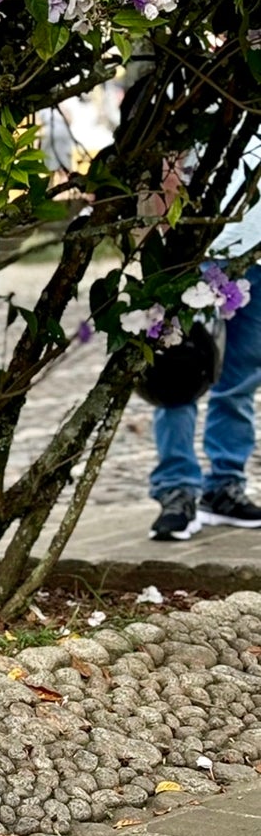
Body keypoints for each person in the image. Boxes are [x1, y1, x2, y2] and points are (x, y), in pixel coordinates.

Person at [150, 143, 261, 540]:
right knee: (177, 372)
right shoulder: (209, 82)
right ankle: (176, 489)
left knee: (242, 376)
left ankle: (224, 487)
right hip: (198, 248)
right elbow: (169, 158)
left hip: (258, 252)